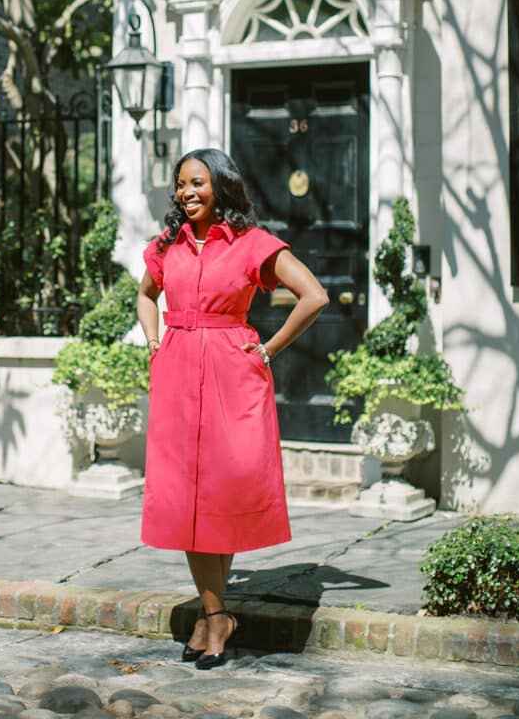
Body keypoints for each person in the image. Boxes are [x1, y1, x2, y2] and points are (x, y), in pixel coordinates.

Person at [137, 148, 329, 670]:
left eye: (197, 182)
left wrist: (268, 349)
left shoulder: (252, 243)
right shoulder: (167, 245)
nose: (186, 192)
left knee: (220, 494)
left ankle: (213, 616)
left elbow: (313, 296)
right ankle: (216, 615)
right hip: (178, 371)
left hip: (232, 373)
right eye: (181, 184)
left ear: (221, 186)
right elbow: (146, 295)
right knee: (188, 497)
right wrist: (153, 343)